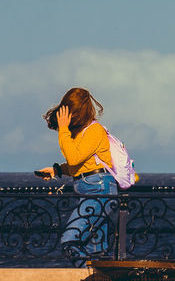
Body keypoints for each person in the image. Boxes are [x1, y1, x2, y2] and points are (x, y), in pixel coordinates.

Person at [36, 87, 117, 266]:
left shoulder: (95, 131)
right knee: (95, 250)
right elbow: (80, 166)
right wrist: (57, 170)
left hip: (100, 190)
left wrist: (64, 129)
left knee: (70, 241)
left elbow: (74, 157)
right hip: (91, 189)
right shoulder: (82, 133)